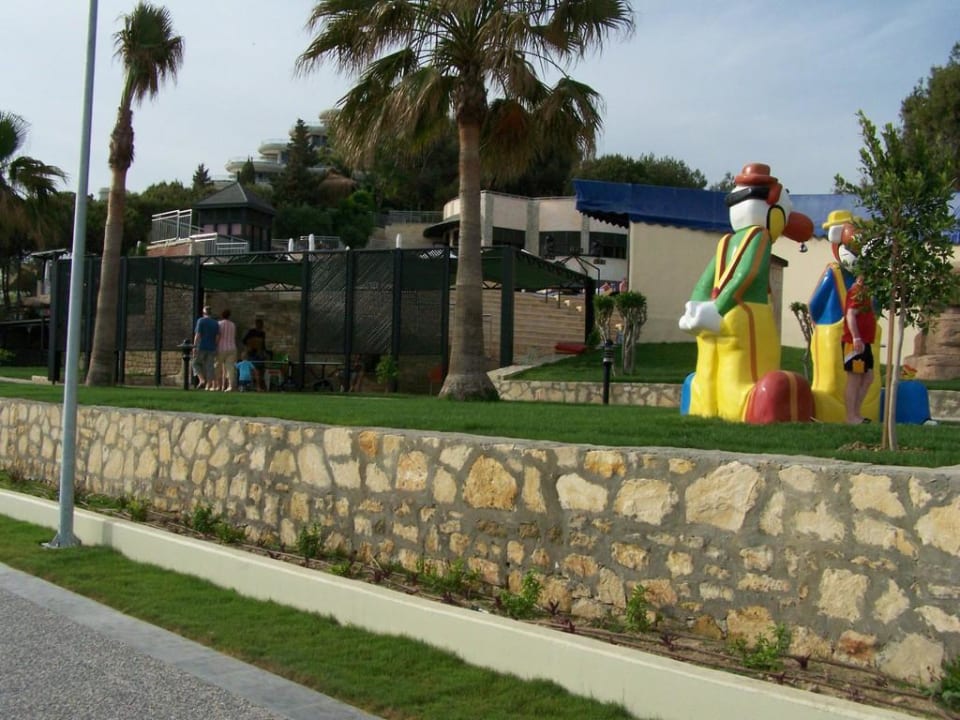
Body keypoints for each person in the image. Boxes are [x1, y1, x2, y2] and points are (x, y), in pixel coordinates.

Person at [842, 275, 877, 424]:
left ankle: (856, 413)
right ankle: (851, 416)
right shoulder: (857, 292)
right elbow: (851, 314)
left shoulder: (865, 293)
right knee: (855, 378)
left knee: (868, 377)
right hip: (854, 342)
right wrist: (856, 337)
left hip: (865, 342)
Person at [191, 305, 220, 390]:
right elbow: (217, 336)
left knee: (195, 363)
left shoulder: (201, 321)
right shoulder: (215, 323)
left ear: (204, 313)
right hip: (211, 347)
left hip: (201, 346)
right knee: (209, 366)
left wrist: (194, 346)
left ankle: (202, 380)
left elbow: (198, 335)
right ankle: (209, 385)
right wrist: (215, 345)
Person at [242, 318, 268, 391]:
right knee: (254, 369)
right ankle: (255, 386)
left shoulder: (262, 333)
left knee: (261, 370)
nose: (259, 326)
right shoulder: (252, 332)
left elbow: (263, 344)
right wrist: (249, 347)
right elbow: (244, 341)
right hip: (252, 353)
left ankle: (260, 385)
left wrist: (264, 352)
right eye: (258, 324)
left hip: (259, 353)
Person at [215, 309, 238, 392]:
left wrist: (215, 345)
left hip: (221, 348)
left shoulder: (219, 324)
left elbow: (218, 336)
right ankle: (231, 386)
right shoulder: (233, 325)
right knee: (230, 368)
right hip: (232, 347)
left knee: (217, 367)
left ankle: (217, 385)